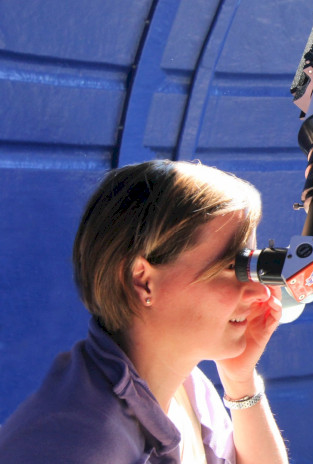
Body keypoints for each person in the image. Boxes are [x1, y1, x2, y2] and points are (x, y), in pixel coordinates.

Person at [0, 160, 289, 464]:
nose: (259, 292)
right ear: (143, 281)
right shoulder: (77, 446)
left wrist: (240, 381)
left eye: (252, 268)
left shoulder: (185, 387)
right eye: (233, 268)